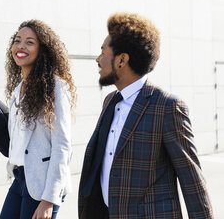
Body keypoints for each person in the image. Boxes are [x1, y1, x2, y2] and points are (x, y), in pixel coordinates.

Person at [78, 12, 213, 219]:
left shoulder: (167, 106)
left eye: (103, 52)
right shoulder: (110, 101)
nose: (98, 59)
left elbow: (192, 181)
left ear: (122, 60)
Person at [0, 19, 76, 219]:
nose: (21, 46)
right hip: (20, 178)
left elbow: (62, 146)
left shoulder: (56, 87)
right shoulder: (18, 89)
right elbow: (22, 140)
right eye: (17, 40)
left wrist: (49, 200)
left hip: (43, 185)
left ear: (43, 50)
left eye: (30, 42)